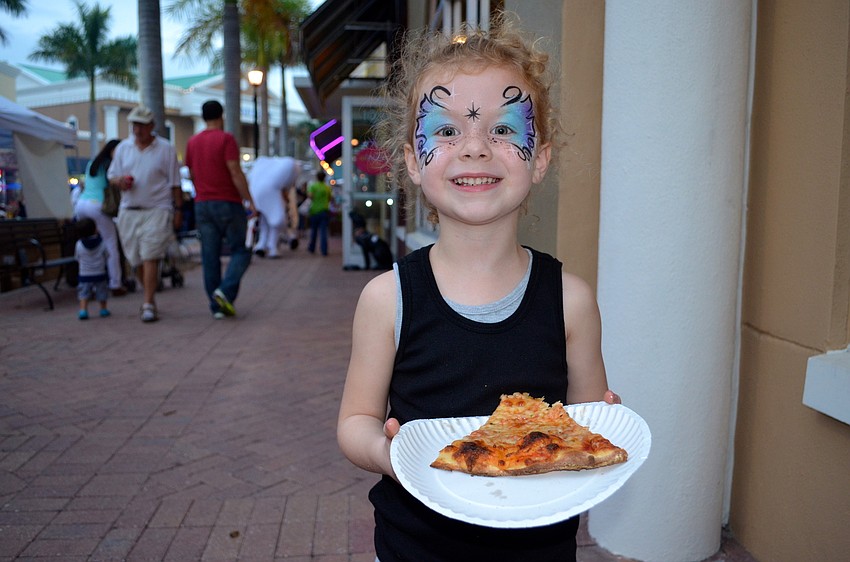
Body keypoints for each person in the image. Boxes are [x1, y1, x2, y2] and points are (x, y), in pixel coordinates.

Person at [336, 15, 621, 562]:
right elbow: (355, 420)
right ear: (414, 160)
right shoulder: (387, 298)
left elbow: (587, 422)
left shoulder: (572, 299)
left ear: (539, 158)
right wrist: (387, 452)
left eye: (504, 129)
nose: (475, 147)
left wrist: (601, 425)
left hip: (539, 549)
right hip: (412, 547)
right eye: (445, 130)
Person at [107, 105, 183, 323]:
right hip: (129, 210)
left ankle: (148, 302)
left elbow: (175, 183)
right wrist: (119, 181)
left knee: (151, 255)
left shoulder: (166, 148)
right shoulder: (123, 148)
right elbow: (112, 175)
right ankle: (150, 290)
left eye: (141, 125)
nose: (137, 129)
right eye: (134, 125)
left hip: (157, 209)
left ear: (151, 126)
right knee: (135, 259)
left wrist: (178, 210)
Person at [184, 100, 257, 318]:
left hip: (202, 204)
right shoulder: (226, 139)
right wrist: (249, 200)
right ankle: (224, 292)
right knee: (241, 250)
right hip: (228, 201)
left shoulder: (192, 142)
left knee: (210, 254)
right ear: (221, 116)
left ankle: (216, 306)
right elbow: (234, 170)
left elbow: (191, 172)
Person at [74, 139, 126, 296]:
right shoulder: (110, 164)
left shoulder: (93, 163)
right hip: (98, 206)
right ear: (112, 151)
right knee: (111, 245)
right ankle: (115, 283)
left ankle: (86, 284)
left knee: (85, 245)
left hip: (81, 205)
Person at [247, 156, 301, 258]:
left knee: (265, 223)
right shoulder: (285, 170)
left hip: (257, 197)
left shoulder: (262, 169)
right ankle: (272, 247)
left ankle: (261, 246)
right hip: (271, 198)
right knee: (276, 223)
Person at [73, 218, 111, 320]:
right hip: (100, 273)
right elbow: (107, 255)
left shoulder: (79, 244)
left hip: (84, 274)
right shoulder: (102, 243)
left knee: (83, 293)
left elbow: (77, 258)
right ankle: (103, 309)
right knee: (101, 291)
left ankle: (83, 310)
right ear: (95, 229)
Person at [306, 170, 332, 256]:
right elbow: (330, 198)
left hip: (314, 211)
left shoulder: (313, 186)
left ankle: (312, 247)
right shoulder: (327, 187)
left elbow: (310, 196)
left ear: (317, 177)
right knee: (323, 231)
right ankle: (324, 250)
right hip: (324, 211)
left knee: (314, 231)